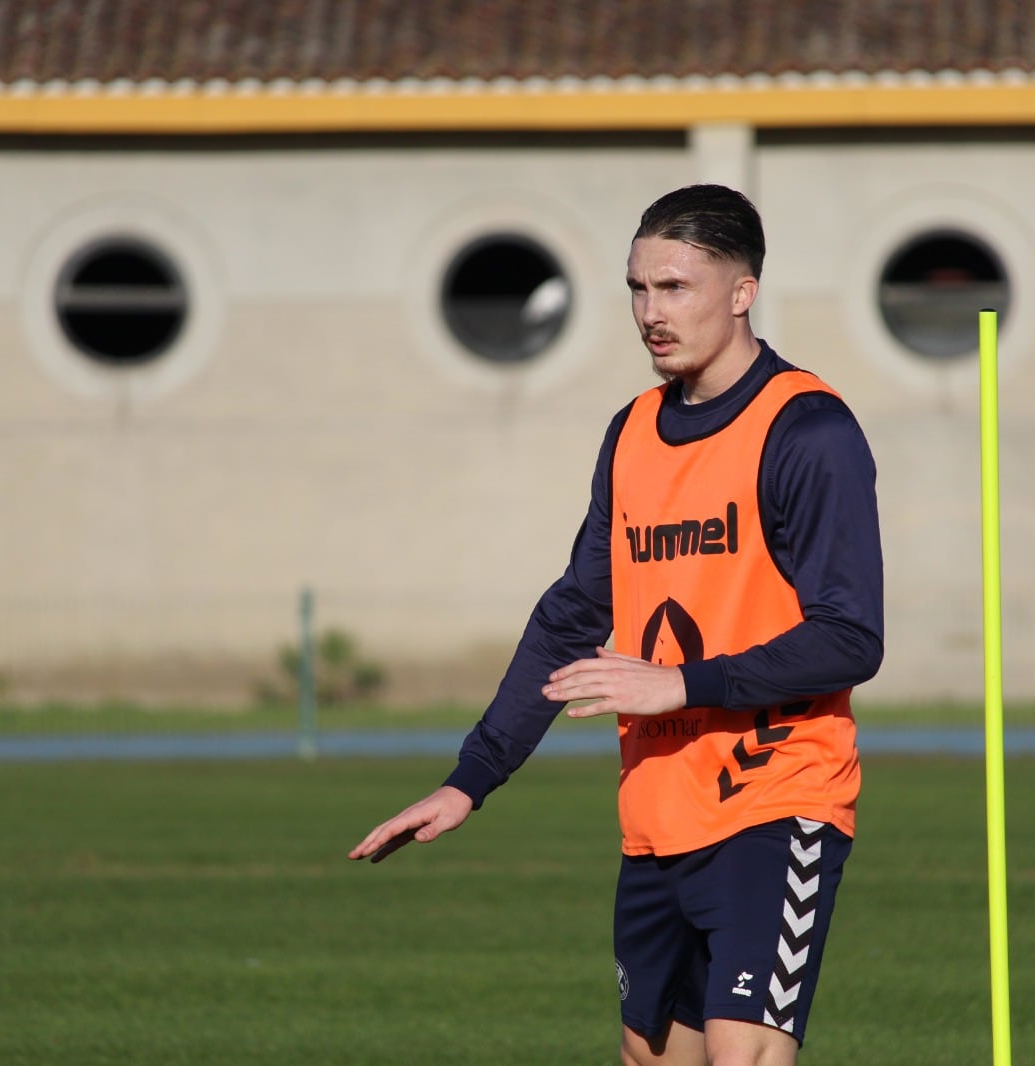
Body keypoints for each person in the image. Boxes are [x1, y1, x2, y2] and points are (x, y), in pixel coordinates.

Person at [349, 184, 884, 1065]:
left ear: (742, 291)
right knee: (649, 1057)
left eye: (674, 288)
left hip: (775, 802)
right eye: (637, 289)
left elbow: (850, 636)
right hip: (656, 812)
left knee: (742, 1056)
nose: (649, 313)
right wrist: (470, 778)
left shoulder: (807, 430)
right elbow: (570, 620)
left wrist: (680, 682)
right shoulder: (632, 432)